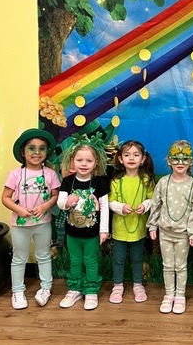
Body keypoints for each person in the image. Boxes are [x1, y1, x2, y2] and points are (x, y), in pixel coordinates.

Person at [1, 128, 60, 310]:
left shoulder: (50, 174)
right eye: (31, 148)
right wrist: (19, 210)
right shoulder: (15, 174)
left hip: (43, 224)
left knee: (43, 255)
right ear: (23, 152)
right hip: (20, 225)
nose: (37, 152)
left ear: (47, 152)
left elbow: (55, 196)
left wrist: (44, 207)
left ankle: (46, 288)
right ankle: (18, 291)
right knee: (19, 257)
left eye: (42, 148)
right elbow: (5, 197)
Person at [147, 140, 193, 314]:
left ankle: (180, 295)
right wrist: (152, 226)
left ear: (191, 162)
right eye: (175, 158)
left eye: (185, 159)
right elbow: (155, 205)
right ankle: (169, 294)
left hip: (183, 235)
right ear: (169, 160)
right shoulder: (163, 183)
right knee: (167, 265)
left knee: (180, 266)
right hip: (165, 233)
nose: (180, 162)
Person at [57, 133, 110, 310]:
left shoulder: (100, 183)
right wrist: (67, 203)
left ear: (96, 163)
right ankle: (75, 289)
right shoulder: (67, 181)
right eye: (80, 160)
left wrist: (103, 230)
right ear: (73, 161)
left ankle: (91, 290)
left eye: (89, 161)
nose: (84, 164)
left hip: (92, 234)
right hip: (72, 233)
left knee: (90, 261)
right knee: (75, 261)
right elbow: (60, 202)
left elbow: (105, 208)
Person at [108, 140, 156, 304]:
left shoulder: (146, 180)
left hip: (139, 228)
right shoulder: (116, 181)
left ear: (143, 159)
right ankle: (117, 285)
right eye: (127, 155)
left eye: (136, 155)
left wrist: (145, 205)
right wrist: (121, 207)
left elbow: (153, 199)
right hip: (120, 228)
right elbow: (110, 202)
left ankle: (138, 284)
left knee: (137, 258)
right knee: (118, 258)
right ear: (121, 159)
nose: (131, 158)